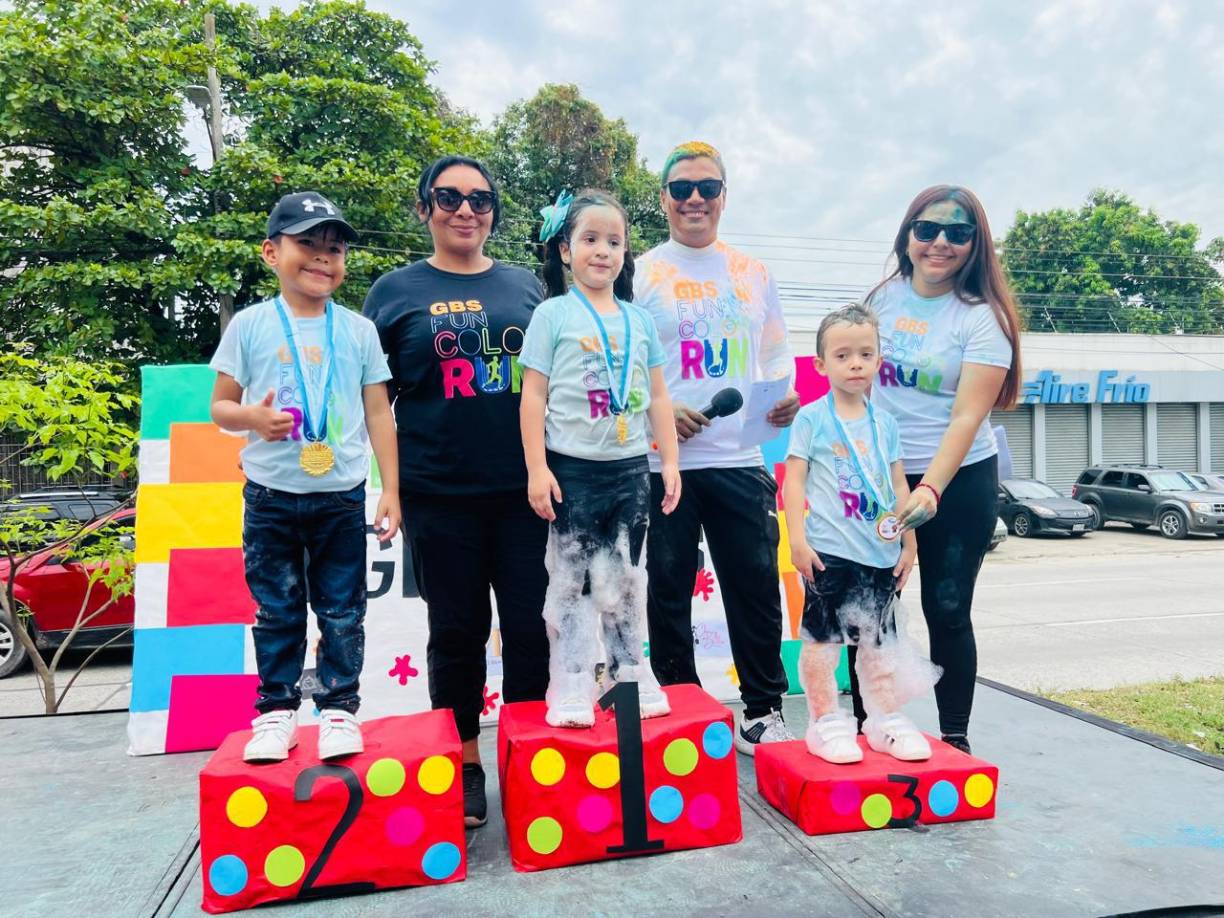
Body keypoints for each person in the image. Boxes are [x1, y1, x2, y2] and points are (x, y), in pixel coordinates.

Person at [363, 156, 550, 827]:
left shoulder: (526, 286)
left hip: (526, 492)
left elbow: (557, 375)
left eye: (480, 199)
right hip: (437, 494)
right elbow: (370, 393)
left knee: (532, 629)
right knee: (456, 633)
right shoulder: (392, 291)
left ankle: (529, 757)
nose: (465, 210)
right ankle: (466, 762)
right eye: (448, 197)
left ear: (494, 211)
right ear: (424, 208)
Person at [209, 191, 400, 764]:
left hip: (340, 497)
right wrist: (251, 418)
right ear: (271, 252)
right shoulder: (249, 326)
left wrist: (390, 488)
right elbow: (220, 407)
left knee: (343, 609)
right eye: (308, 245)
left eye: (334, 249)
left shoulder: (360, 331)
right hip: (270, 498)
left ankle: (340, 709)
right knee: (277, 609)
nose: (323, 258)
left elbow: (377, 414)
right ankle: (275, 713)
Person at [634, 141, 800, 755]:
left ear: (724, 197)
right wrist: (659, 411)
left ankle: (763, 709)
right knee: (666, 587)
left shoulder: (754, 272)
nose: (695, 199)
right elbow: (620, 363)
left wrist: (784, 399)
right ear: (664, 199)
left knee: (753, 587)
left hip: (739, 459)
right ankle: (683, 705)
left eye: (707, 187)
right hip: (661, 463)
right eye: (682, 189)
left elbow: (777, 355)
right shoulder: (640, 271)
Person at [857, 184, 1022, 755]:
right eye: (927, 229)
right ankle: (870, 725)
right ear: (907, 236)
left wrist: (929, 487)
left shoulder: (984, 318)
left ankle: (955, 738)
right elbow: (856, 386)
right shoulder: (882, 300)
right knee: (869, 603)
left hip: (958, 480)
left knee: (947, 609)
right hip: (883, 477)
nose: (940, 242)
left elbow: (966, 417)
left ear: (976, 243)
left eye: (958, 231)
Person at [520, 189, 681, 727]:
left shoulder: (639, 320)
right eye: (590, 239)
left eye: (614, 242)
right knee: (569, 577)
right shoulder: (552, 314)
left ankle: (628, 667)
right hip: (572, 469)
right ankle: (568, 678)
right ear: (565, 249)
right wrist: (537, 469)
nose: (602, 251)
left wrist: (671, 464)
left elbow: (659, 398)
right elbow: (534, 397)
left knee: (628, 576)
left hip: (632, 467)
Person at [783, 304, 933, 764]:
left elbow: (898, 484)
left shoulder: (884, 423)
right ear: (821, 364)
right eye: (843, 355)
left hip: (880, 553)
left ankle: (884, 720)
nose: (855, 364)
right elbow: (794, 481)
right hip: (829, 552)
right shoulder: (812, 418)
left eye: (865, 354)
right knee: (822, 643)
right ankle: (826, 723)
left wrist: (908, 541)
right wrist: (798, 541)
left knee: (880, 646)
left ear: (878, 360)